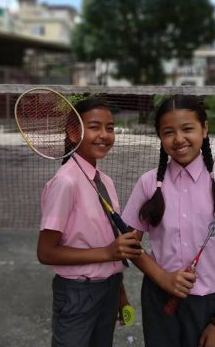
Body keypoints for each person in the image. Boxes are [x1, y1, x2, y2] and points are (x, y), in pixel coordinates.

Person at [122, 95, 215, 347]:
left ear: (205, 129)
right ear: (160, 137)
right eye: (168, 132)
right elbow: (130, 245)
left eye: (188, 129)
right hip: (159, 301)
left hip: (208, 305)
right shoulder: (148, 183)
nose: (179, 139)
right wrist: (162, 277)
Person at [37, 96, 142, 347]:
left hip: (109, 289)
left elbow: (111, 245)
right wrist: (107, 252)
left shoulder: (105, 181)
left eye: (110, 127)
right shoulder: (66, 182)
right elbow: (46, 252)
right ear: (74, 132)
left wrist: (120, 294)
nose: (104, 135)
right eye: (94, 127)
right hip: (77, 293)